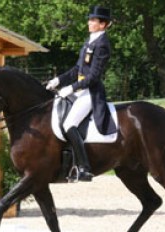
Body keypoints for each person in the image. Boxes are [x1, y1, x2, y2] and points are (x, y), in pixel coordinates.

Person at [46, 6, 116, 181]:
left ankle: (84, 168)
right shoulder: (90, 41)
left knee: (69, 124)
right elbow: (77, 69)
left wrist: (72, 88)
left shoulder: (102, 45)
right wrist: (59, 80)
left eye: (94, 20)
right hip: (80, 89)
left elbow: (93, 77)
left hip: (90, 92)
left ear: (103, 24)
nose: (89, 23)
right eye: (90, 19)